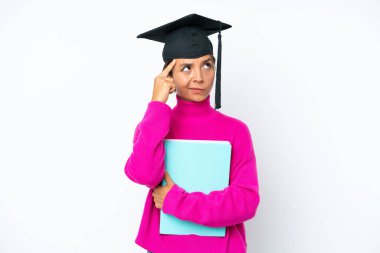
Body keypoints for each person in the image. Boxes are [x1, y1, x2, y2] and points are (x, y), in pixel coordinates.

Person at [124, 13, 260, 253]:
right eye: (186, 68)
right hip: (166, 247)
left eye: (207, 64)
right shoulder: (154, 124)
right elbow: (144, 174)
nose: (199, 77)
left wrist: (177, 201)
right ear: (168, 75)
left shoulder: (236, 131)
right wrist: (157, 104)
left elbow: (246, 202)